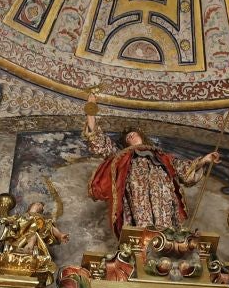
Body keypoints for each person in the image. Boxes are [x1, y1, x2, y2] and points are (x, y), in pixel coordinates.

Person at [84, 88, 219, 235]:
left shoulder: (161, 156)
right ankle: (143, 239)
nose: (131, 137)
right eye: (128, 137)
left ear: (142, 136)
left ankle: (167, 237)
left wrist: (205, 160)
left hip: (161, 191)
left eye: (133, 134)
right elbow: (98, 139)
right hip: (137, 190)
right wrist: (91, 110)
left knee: (165, 221)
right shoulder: (121, 155)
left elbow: (184, 169)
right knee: (142, 220)